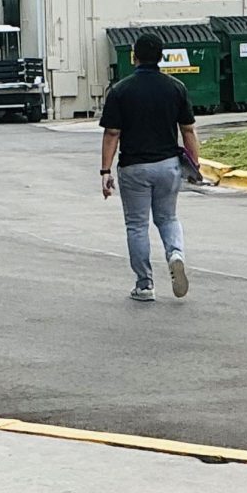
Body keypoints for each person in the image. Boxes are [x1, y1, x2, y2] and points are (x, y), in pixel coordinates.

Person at [99, 32, 200, 302]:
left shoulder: (120, 90)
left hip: (134, 168)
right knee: (168, 219)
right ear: (161, 56)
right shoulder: (176, 87)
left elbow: (111, 133)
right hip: (168, 166)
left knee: (137, 225)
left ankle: (144, 285)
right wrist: (195, 165)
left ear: (135, 56)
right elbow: (188, 130)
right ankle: (176, 254)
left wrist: (105, 172)